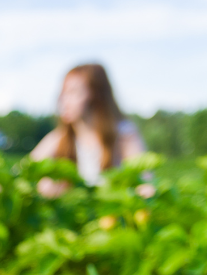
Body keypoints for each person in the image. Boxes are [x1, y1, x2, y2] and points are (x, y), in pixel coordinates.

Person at [30, 64, 145, 196]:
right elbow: (26, 170)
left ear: (96, 95)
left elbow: (143, 180)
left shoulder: (123, 133)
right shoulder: (60, 137)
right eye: (64, 93)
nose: (64, 100)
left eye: (73, 92)